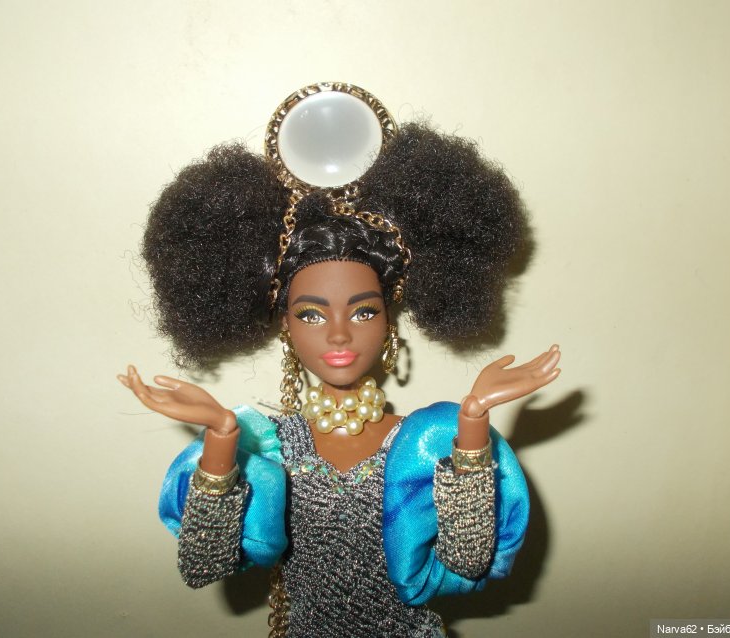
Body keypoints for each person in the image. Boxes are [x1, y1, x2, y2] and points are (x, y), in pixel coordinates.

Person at [117, 92, 561, 636]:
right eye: (310, 314)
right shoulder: (270, 448)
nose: (339, 333)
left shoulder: (425, 443)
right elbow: (202, 566)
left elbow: (468, 562)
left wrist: (471, 427)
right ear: (285, 326)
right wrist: (222, 436)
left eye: (364, 310)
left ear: (389, 322)